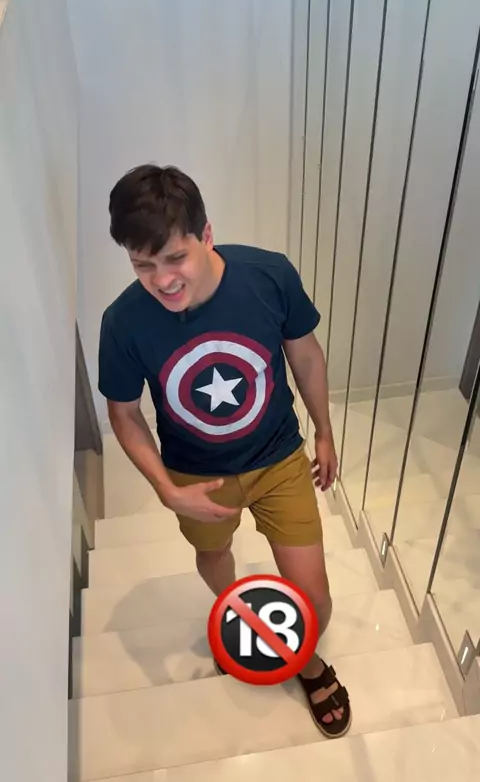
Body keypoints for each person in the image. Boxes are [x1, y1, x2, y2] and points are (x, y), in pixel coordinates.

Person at [98, 164, 351, 738]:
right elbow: (124, 412)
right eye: (143, 265)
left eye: (175, 258)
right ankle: (242, 617)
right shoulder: (122, 322)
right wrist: (167, 490)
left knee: (314, 600)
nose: (163, 281)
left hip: (279, 456)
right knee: (214, 555)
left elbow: (305, 354)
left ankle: (307, 662)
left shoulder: (269, 275)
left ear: (206, 234)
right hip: (195, 474)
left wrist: (324, 430)